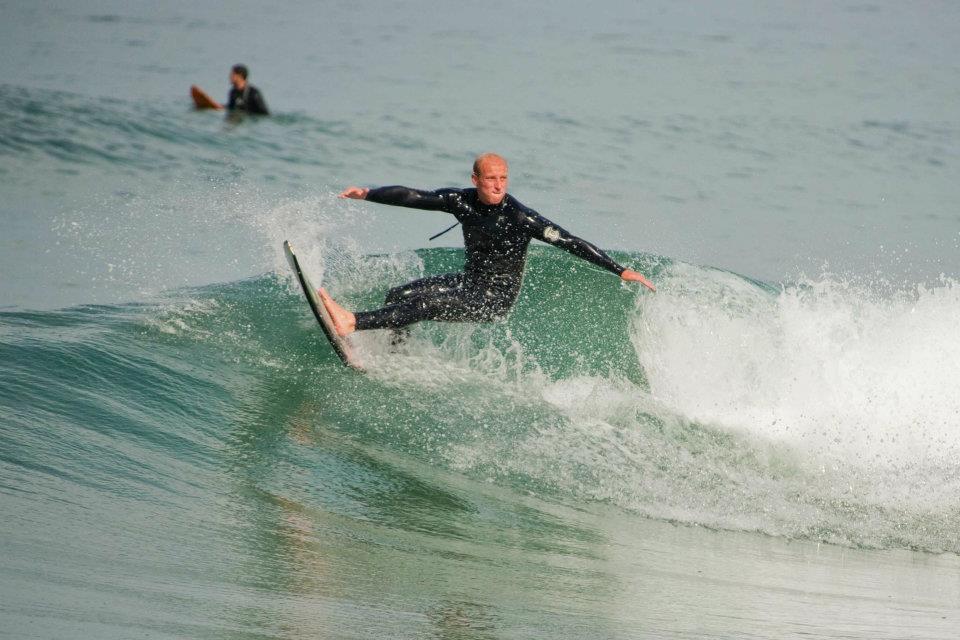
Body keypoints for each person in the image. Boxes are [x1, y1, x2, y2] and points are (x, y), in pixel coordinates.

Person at [320, 153, 655, 337]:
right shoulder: (461, 201)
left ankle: (353, 322)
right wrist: (369, 193)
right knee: (400, 295)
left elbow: (570, 241)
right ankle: (394, 354)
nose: (498, 185)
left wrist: (620, 270)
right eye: (491, 178)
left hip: (494, 300)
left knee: (429, 305)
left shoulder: (522, 218)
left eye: (503, 178)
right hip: (470, 282)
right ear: (475, 180)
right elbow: (414, 196)